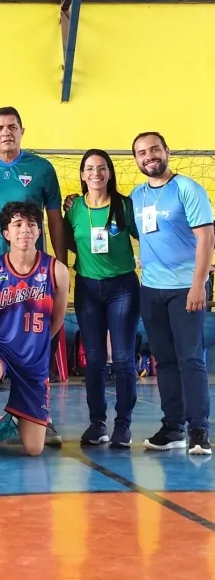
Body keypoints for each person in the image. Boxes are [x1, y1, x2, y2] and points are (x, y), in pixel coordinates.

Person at [0, 106, 66, 446]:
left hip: (33, 270)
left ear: (22, 130)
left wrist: (59, 262)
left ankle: (36, 413)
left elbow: (54, 219)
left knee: (36, 341)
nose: (6, 132)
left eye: (12, 126)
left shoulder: (41, 169)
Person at [127, 132, 213, 453]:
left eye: (154, 149)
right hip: (151, 289)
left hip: (185, 288)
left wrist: (197, 284)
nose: (149, 156)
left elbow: (206, 239)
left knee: (190, 358)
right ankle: (173, 426)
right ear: (136, 159)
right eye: (141, 152)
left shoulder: (187, 189)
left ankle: (199, 430)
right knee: (164, 360)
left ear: (167, 152)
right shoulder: (137, 195)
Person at [0, 202, 70, 463]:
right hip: (0, 349)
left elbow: (55, 321)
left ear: (39, 232)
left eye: (32, 225)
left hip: (33, 357)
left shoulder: (57, 270)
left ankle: (13, 418)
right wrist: (0, 344)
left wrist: (33, 344)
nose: (25, 230)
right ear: (6, 233)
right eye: (18, 225)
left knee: (34, 449)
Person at [62, 149, 139, 448]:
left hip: (123, 288)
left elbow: (145, 235)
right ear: (82, 174)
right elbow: (68, 240)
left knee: (122, 358)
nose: (96, 173)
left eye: (102, 168)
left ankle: (123, 425)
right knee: (93, 360)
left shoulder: (124, 205)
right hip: (88, 289)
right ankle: (98, 423)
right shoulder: (74, 208)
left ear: (109, 173)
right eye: (90, 168)